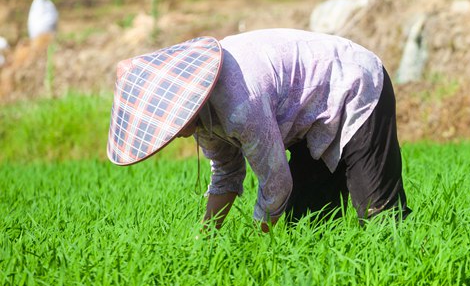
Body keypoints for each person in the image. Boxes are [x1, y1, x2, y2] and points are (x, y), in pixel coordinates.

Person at [107, 29, 410, 231]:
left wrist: (257, 242)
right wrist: (206, 236)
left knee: (380, 218)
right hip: (308, 116)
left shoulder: (240, 104)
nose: (173, 133)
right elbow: (226, 172)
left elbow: (276, 182)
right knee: (306, 227)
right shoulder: (201, 113)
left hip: (352, 83)